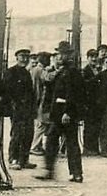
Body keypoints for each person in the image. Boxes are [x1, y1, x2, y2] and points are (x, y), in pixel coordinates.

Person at [36, 41, 84, 183]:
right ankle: (49, 170)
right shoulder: (60, 71)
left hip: (66, 113)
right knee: (52, 140)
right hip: (57, 113)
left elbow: (74, 94)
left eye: (63, 54)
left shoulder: (72, 72)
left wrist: (68, 112)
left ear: (69, 55)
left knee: (71, 143)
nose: (59, 56)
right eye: (58, 54)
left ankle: (76, 173)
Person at [4, 48, 36, 170]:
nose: (25, 59)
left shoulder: (26, 73)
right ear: (17, 57)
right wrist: (12, 106)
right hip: (17, 108)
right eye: (22, 56)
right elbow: (7, 91)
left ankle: (24, 159)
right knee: (17, 134)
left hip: (27, 108)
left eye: (27, 57)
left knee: (28, 134)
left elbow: (31, 92)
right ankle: (13, 159)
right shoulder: (11, 72)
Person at [30, 52, 52, 155]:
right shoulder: (40, 70)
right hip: (41, 100)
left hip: (37, 99)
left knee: (40, 124)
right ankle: (34, 146)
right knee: (41, 125)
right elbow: (48, 79)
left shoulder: (34, 69)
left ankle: (37, 146)